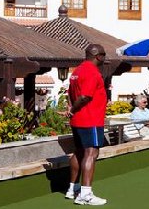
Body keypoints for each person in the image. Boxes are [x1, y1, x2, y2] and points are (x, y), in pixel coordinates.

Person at [63, 44, 109, 205]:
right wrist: (72, 109)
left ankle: (72, 189)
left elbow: (69, 93)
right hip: (91, 119)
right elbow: (85, 97)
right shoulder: (91, 72)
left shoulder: (77, 71)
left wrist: (70, 109)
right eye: (104, 55)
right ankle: (86, 194)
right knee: (91, 153)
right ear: (99, 56)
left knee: (79, 152)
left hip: (79, 119)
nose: (104, 58)